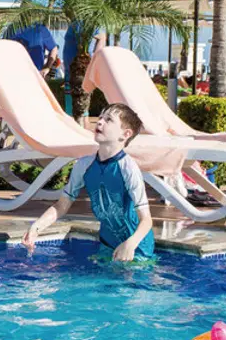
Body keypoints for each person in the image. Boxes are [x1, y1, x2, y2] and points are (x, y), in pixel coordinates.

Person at [21, 103, 154, 262]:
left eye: (108, 120)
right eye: (100, 117)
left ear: (125, 134)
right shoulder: (84, 165)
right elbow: (62, 205)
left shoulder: (128, 168)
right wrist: (36, 227)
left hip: (137, 247)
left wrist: (130, 244)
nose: (99, 122)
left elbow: (146, 220)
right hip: (107, 244)